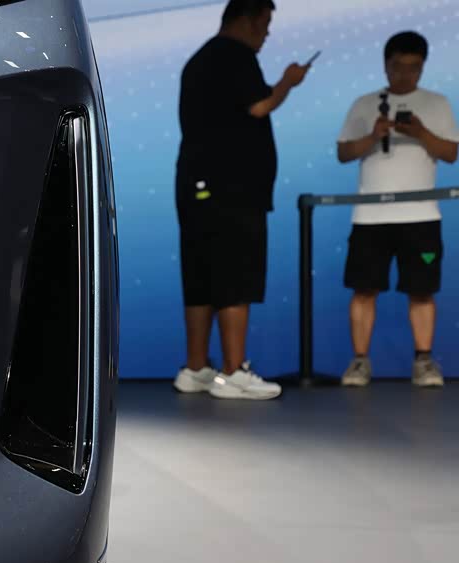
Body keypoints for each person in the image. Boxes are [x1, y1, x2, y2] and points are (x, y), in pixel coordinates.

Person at [173, 0, 309, 399]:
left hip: (194, 183)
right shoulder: (235, 55)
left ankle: (195, 368)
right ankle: (234, 371)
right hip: (232, 187)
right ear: (247, 20)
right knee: (235, 272)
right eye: (265, 23)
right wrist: (288, 81)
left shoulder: (199, 60)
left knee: (200, 274)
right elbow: (260, 105)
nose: (267, 33)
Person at [337, 31, 459, 387]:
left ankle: (424, 361)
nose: (405, 75)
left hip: (421, 216)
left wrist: (421, 133)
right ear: (385, 66)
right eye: (397, 67)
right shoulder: (364, 104)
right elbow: (343, 153)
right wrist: (373, 136)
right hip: (370, 216)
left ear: (423, 67)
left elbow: (451, 153)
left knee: (422, 290)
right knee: (363, 289)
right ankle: (359, 362)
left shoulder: (437, 103)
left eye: (413, 68)